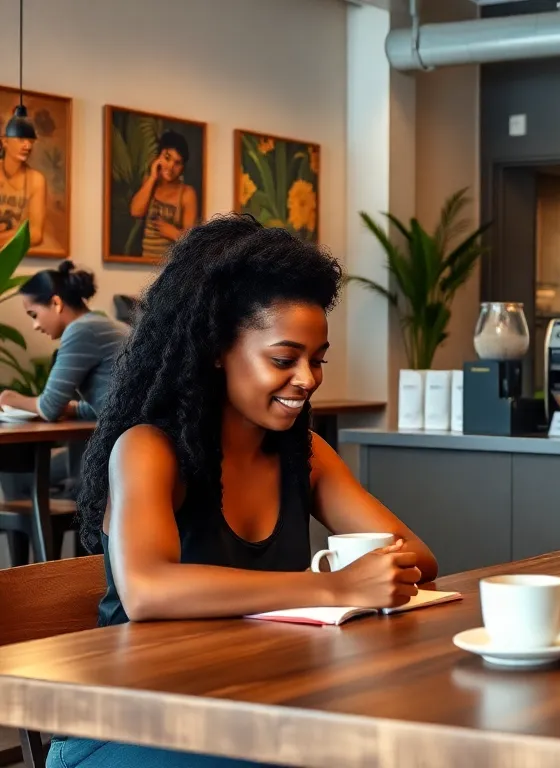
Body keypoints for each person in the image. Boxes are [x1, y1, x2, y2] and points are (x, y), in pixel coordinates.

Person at [50, 215, 439, 767]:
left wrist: (366, 577)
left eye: (317, 359)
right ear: (215, 350)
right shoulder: (148, 450)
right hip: (129, 720)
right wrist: (334, 588)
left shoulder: (303, 457)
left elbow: (418, 554)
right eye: (284, 359)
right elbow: (147, 591)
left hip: (256, 705)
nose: (308, 379)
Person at [0, 261, 128, 421]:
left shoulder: (81, 330)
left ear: (56, 303)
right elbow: (107, 404)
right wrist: (71, 409)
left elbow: (49, 409)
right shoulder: (106, 324)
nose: (36, 326)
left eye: (34, 315)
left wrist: (9, 398)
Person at [129, 130, 199, 260]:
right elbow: (135, 211)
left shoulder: (187, 194)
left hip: (171, 270)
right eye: (167, 157)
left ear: (182, 167)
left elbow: (191, 242)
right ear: (158, 157)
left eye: (177, 163)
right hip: (143, 264)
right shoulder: (150, 184)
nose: (171, 166)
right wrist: (153, 178)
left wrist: (173, 233)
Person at [0, 129, 46, 247]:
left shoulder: (36, 180)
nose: (27, 146)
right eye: (21, 139)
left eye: (31, 141)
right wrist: (18, 234)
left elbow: (35, 234)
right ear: (5, 141)